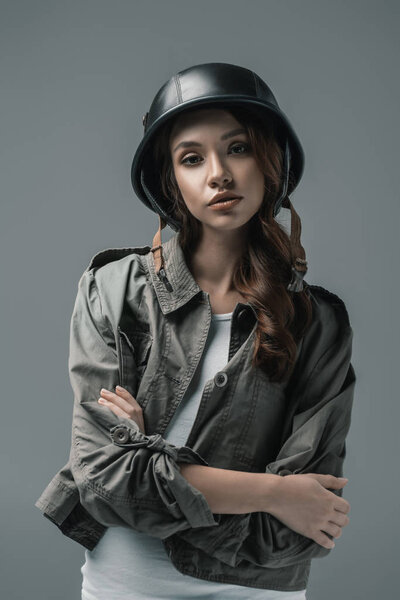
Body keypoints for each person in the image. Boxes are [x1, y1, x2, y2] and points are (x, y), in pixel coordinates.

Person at [34, 62, 356, 599]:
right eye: (191, 158)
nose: (218, 174)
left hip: (260, 589)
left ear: (270, 161)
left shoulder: (319, 322)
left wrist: (147, 454)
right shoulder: (113, 289)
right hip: (127, 583)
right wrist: (274, 493)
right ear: (171, 181)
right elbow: (101, 481)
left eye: (238, 148)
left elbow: (307, 522)